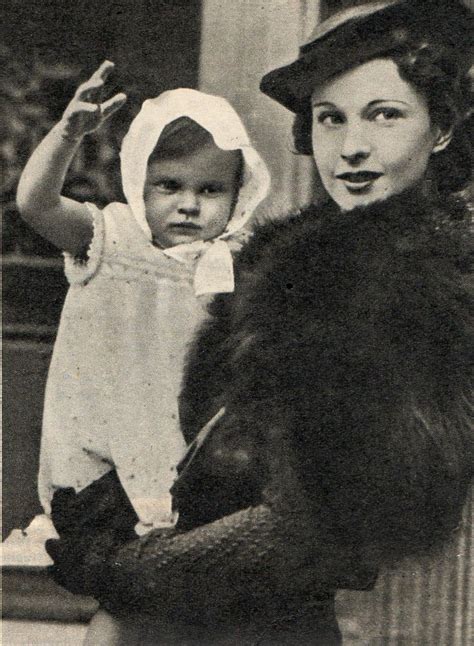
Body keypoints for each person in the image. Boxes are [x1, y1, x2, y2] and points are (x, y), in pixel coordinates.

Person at [45, 1, 473, 644]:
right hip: (199, 602)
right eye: (330, 119)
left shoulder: (429, 283)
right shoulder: (289, 260)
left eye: (385, 115)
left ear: (439, 130)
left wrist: (129, 569)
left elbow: (333, 524)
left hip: (269, 620)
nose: (352, 147)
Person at [15, 61, 270, 540]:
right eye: (169, 185)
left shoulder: (239, 262)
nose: (189, 204)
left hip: (190, 469)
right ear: (139, 182)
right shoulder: (112, 239)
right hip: (102, 462)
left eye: (211, 190)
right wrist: (67, 137)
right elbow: (36, 205)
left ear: (240, 193)